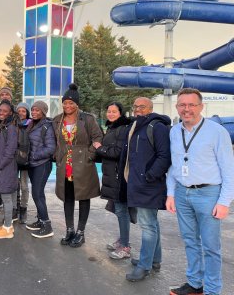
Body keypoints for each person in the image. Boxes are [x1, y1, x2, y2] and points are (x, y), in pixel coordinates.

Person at [166, 88, 234, 295]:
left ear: (201, 107)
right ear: (177, 107)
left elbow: (228, 169)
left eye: (191, 105)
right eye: (182, 105)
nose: (186, 109)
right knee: (190, 242)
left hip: (209, 194)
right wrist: (170, 193)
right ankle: (195, 283)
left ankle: (213, 290)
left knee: (211, 247)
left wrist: (224, 202)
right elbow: (174, 166)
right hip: (182, 194)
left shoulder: (217, 132)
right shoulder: (174, 131)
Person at [121, 97, 171, 282]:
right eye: (135, 106)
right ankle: (154, 260)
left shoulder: (156, 126)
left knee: (148, 226)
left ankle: (144, 266)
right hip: (139, 183)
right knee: (152, 223)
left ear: (150, 108)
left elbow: (164, 155)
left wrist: (148, 176)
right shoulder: (138, 126)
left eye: (141, 107)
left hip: (149, 184)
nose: (137, 109)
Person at [52, 84, 103, 246]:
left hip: (83, 165)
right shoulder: (57, 120)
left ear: (77, 104)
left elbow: (98, 137)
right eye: (65, 103)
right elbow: (54, 141)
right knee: (68, 197)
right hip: (65, 166)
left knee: (83, 197)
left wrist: (90, 155)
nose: (68, 106)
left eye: (71, 103)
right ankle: (69, 230)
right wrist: (57, 156)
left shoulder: (87, 119)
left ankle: (81, 232)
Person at [96, 102, 132, 259]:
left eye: (114, 111)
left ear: (121, 113)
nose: (110, 114)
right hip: (111, 174)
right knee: (118, 210)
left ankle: (125, 246)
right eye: (108, 111)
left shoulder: (122, 129)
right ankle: (122, 240)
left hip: (118, 175)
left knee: (121, 210)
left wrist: (99, 148)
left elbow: (117, 152)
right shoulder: (113, 127)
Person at [24, 101, 56, 238]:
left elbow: (50, 148)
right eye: (32, 110)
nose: (34, 112)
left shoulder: (47, 127)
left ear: (43, 111)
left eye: (37, 110)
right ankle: (40, 220)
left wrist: (34, 155)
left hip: (42, 164)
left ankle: (47, 226)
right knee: (38, 194)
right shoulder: (32, 124)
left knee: (37, 194)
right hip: (32, 164)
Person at [0, 100, 18, 239]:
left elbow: (10, 150)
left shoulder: (11, 128)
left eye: (5, 111)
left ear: (10, 113)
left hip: (5, 168)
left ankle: (7, 229)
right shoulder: (2, 126)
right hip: (2, 167)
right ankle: (8, 224)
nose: (1, 113)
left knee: (7, 199)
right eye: (0, 110)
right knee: (7, 197)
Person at [16, 102, 31, 223]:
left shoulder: (31, 125)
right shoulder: (13, 124)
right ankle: (15, 207)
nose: (21, 113)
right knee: (14, 184)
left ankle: (23, 207)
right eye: (19, 110)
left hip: (25, 159)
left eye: (23, 111)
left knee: (24, 185)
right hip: (14, 159)